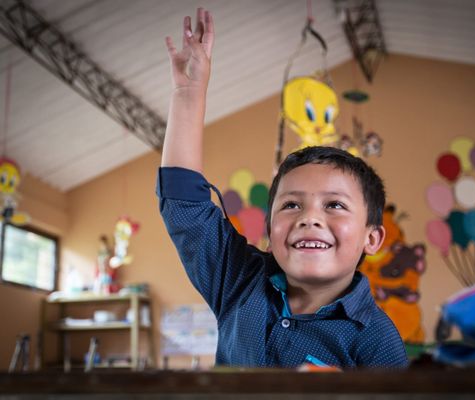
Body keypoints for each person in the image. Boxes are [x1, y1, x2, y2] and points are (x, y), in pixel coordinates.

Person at [156, 7, 408, 369]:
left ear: (372, 238)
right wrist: (187, 94)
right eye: (291, 205)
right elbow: (185, 206)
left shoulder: (377, 342)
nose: (310, 219)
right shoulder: (238, 280)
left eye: (334, 205)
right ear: (270, 232)